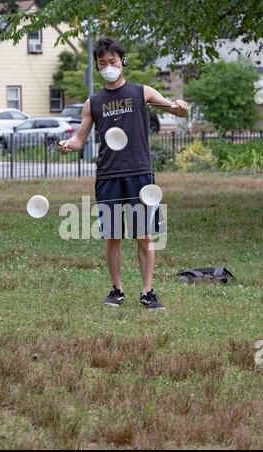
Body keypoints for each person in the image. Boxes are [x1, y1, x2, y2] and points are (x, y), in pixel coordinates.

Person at [58, 37, 188, 310]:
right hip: (108, 176)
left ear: (122, 61)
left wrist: (179, 107)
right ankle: (116, 290)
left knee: (144, 235)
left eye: (112, 61)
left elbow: (174, 110)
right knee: (112, 236)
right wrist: (70, 144)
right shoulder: (92, 102)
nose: (108, 67)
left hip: (141, 175)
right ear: (96, 65)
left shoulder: (142, 92)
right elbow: (80, 140)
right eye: (102, 63)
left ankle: (147, 292)